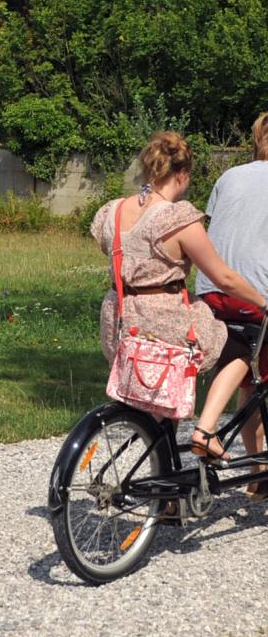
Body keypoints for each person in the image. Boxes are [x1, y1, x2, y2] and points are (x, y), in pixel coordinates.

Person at [90, 130, 268, 463]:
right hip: (164, 320)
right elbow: (225, 278)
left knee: (160, 406)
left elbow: (113, 248)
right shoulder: (179, 218)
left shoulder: (113, 211)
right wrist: (263, 302)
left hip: (121, 318)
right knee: (239, 346)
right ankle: (204, 432)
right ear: (182, 174)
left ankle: (169, 499)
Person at [195, 112, 268, 489]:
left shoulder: (229, 176)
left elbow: (220, 228)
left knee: (251, 383)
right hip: (254, 294)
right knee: (251, 368)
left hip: (210, 290)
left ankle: (258, 476)